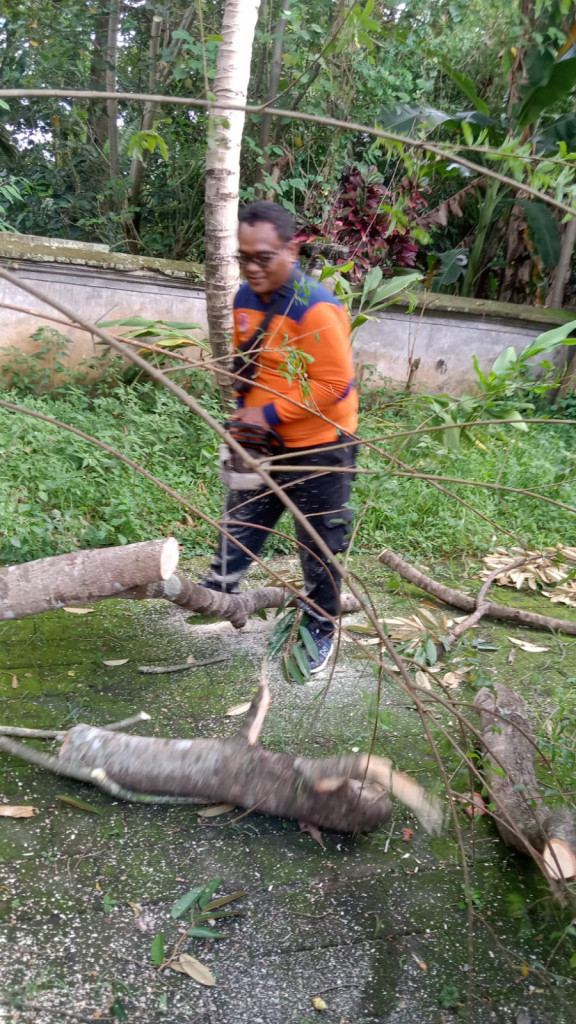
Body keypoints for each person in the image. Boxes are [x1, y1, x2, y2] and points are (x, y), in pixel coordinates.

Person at [201, 200, 358, 673]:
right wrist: (242, 418)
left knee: (319, 543)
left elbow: (334, 386)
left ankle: (322, 624)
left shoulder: (317, 309)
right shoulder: (245, 299)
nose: (252, 268)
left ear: (291, 250)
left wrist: (267, 412)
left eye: (263, 257)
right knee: (244, 519)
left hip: (320, 444)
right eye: (243, 258)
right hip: (265, 439)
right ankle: (216, 595)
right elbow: (248, 363)